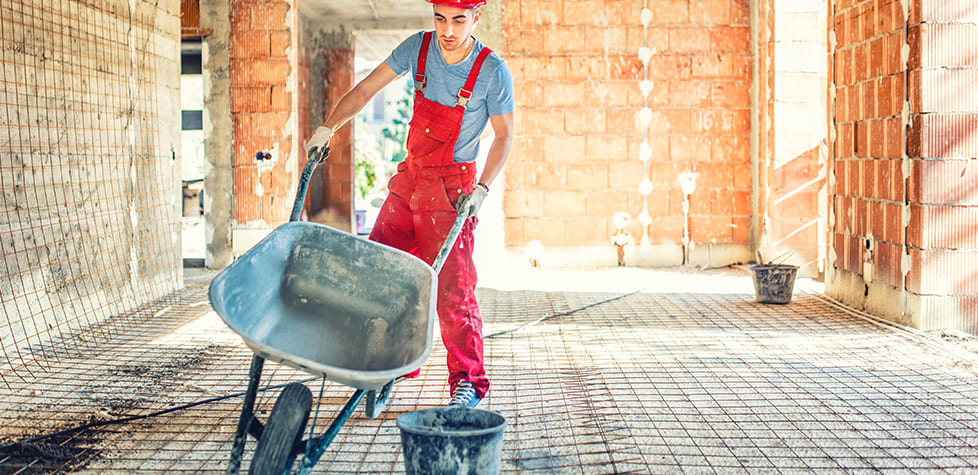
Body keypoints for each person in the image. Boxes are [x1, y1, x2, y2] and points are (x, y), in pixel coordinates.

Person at [303, 0, 515, 408]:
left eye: (458, 20)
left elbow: (504, 136)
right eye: (440, 19)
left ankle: (467, 382)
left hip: (452, 190)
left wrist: (483, 188)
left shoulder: (492, 70)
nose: (447, 31)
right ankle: (390, 366)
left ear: (476, 17)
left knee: (453, 292)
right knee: (383, 276)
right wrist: (327, 128)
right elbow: (365, 90)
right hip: (409, 181)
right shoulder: (417, 49)